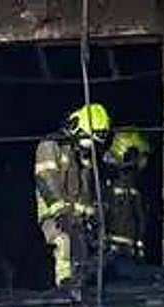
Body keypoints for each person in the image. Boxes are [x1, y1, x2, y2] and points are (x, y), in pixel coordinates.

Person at [35, 103, 112, 289]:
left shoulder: (80, 155)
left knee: (86, 251)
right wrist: (60, 211)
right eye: (88, 140)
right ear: (76, 127)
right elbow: (45, 178)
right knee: (63, 242)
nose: (89, 146)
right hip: (54, 214)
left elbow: (85, 190)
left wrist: (91, 216)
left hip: (75, 217)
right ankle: (64, 285)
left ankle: (82, 286)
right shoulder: (50, 145)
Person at [103, 129, 151, 265]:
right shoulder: (110, 179)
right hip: (113, 254)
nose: (143, 162)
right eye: (140, 155)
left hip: (128, 252)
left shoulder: (132, 182)